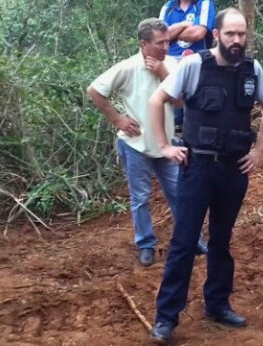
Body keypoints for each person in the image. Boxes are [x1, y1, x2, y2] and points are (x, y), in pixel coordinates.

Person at [148, 8, 263, 344]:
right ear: (216, 35)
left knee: (222, 240)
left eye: (242, 34)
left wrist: (259, 151)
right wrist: (164, 146)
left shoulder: (252, 70)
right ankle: (166, 318)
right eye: (231, 34)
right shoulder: (194, 65)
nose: (237, 40)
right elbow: (158, 99)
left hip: (234, 169)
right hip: (198, 167)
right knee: (184, 242)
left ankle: (217, 305)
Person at [87, 18, 206, 267]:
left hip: (166, 145)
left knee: (180, 194)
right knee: (140, 197)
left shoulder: (172, 65)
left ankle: (191, 238)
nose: (165, 47)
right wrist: (117, 119)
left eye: (167, 41)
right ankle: (146, 244)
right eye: (160, 43)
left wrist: (163, 72)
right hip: (135, 144)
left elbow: (182, 101)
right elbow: (95, 90)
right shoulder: (128, 67)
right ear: (144, 43)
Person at [159, 0, 217, 133]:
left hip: (197, 63)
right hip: (171, 66)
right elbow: (161, 36)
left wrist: (173, 32)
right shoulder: (167, 8)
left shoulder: (204, 3)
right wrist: (185, 25)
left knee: (196, 113)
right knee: (173, 117)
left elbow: (199, 33)